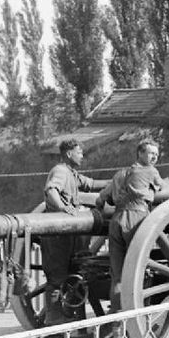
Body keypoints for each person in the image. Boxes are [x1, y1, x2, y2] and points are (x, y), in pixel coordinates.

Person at [43, 139, 109, 325]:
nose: (82, 155)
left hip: (67, 232)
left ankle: (66, 315)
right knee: (57, 276)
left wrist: (119, 179)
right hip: (57, 232)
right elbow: (51, 190)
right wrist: (63, 207)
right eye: (79, 152)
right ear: (69, 154)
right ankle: (53, 318)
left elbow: (92, 183)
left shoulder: (71, 173)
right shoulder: (61, 171)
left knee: (70, 272)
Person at [96, 139, 164, 313]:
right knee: (140, 271)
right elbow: (162, 187)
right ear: (140, 153)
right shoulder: (151, 171)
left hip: (116, 221)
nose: (155, 157)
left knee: (117, 276)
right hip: (137, 218)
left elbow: (101, 198)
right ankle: (138, 320)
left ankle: (117, 324)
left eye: (156, 154)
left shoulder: (120, 174)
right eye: (151, 153)